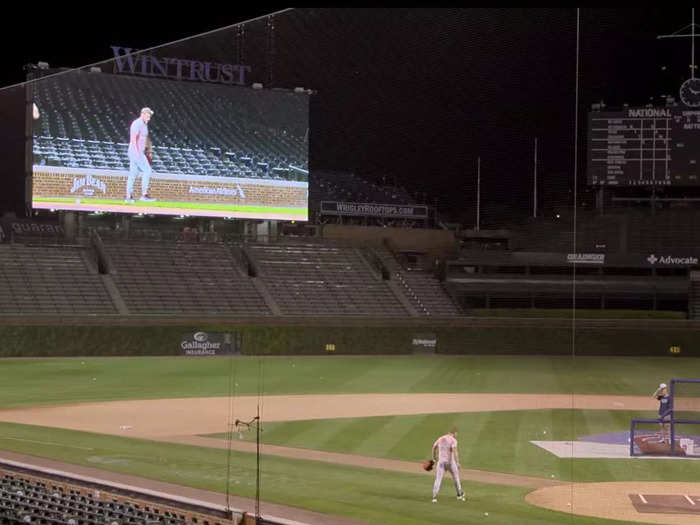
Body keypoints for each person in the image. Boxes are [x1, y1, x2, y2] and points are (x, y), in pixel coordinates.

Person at [125, 107, 156, 203]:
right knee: (147, 170)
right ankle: (144, 195)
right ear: (143, 113)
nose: (149, 117)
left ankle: (128, 197)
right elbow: (133, 139)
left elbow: (144, 139)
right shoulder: (137, 123)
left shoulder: (144, 124)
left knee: (133, 173)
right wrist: (137, 153)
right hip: (135, 151)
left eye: (150, 115)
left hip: (138, 151)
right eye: (148, 115)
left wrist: (147, 150)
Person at [431, 427, 465, 503]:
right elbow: (455, 452)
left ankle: (434, 497)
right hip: (450, 463)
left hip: (441, 462)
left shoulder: (440, 438)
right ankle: (459, 494)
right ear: (454, 433)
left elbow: (434, 448)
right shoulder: (453, 440)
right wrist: (458, 462)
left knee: (438, 479)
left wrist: (433, 458)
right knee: (456, 478)